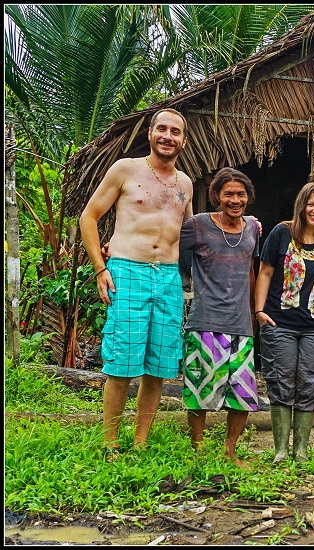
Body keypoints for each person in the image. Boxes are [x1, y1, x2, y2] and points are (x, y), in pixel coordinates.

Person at [79, 108, 192, 459]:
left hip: (169, 278)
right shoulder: (126, 169)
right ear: (151, 133)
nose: (168, 136)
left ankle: (141, 440)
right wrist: (101, 268)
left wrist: (245, 221)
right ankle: (110, 441)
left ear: (183, 141)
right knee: (122, 362)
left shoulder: (185, 183)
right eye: (162, 129)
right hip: (128, 271)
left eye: (175, 132)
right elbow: (89, 216)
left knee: (159, 365)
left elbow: (191, 230)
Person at [254, 181, 314, 462]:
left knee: (310, 383)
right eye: (311, 204)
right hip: (279, 322)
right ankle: (281, 450)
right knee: (280, 382)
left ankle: (301, 450)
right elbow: (265, 272)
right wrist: (258, 311)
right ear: (301, 206)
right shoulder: (282, 234)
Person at [178, 167, 260, 466]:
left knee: (243, 395)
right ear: (217, 196)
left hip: (240, 323)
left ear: (248, 197)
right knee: (200, 392)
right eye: (228, 194)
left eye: (241, 194)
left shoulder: (253, 228)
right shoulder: (198, 225)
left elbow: (252, 269)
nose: (235, 200)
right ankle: (198, 451)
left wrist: (253, 310)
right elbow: (169, 244)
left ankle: (229, 451)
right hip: (204, 321)